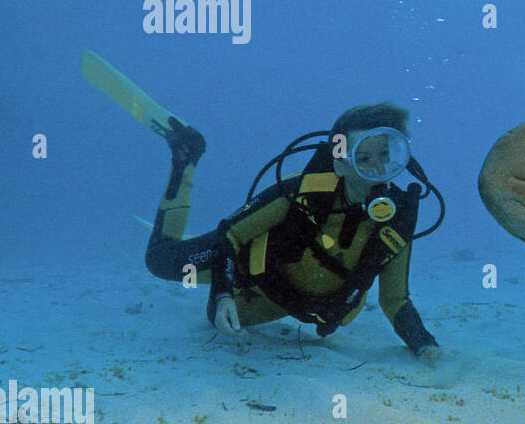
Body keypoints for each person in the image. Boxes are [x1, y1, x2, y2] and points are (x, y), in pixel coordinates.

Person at [142, 103, 442, 354]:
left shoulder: (395, 221)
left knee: (221, 314)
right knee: (160, 261)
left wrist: (424, 346)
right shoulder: (303, 191)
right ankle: (186, 154)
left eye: (386, 156)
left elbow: (394, 299)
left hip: (288, 302)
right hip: (245, 268)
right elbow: (230, 235)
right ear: (340, 164)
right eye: (363, 159)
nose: (376, 169)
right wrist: (223, 296)